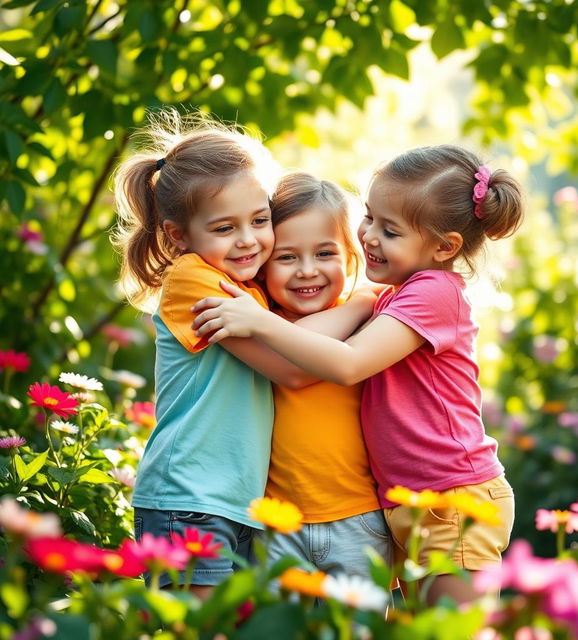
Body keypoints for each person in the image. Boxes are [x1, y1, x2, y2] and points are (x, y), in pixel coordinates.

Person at [191, 145, 523, 604]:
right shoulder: (395, 295)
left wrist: (262, 322)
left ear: (444, 246)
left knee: (453, 631)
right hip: (410, 502)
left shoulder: (435, 293)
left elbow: (348, 364)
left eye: (390, 230)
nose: (368, 236)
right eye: (369, 217)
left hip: (453, 498)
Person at [111, 110, 375, 598]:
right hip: (189, 495)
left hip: (237, 502)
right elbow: (291, 369)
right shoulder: (193, 280)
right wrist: (363, 302)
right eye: (225, 227)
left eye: (259, 220)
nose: (249, 239)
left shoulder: (247, 289)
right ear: (178, 235)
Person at [259, 172, 391, 577]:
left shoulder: (374, 321)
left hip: (360, 517)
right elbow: (297, 350)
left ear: (351, 259)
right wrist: (357, 305)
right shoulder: (263, 324)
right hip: (277, 524)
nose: (306, 270)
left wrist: (362, 303)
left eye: (324, 253)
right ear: (263, 265)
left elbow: (302, 350)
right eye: (286, 256)